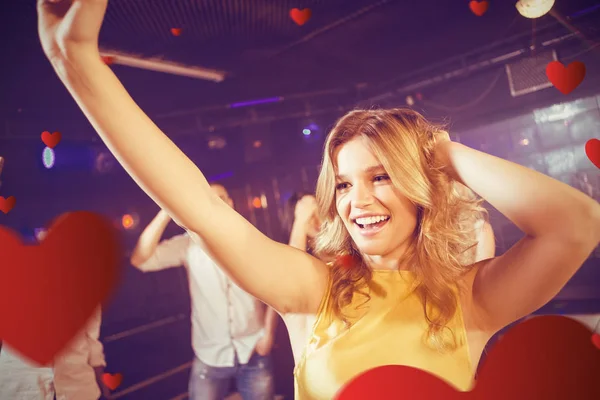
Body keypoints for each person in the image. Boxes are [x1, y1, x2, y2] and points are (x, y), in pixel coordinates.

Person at [37, 1, 600, 398]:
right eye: (345, 183)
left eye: (380, 177)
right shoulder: (316, 289)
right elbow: (199, 209)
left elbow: (576, 225)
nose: (357, 200)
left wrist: (443, 155)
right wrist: (78, 63)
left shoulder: (471, 297)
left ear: (418, 184)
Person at [130, 183, 277, 400]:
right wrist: (167, 210)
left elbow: (275, 288)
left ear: (230, 203)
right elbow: (140, 259)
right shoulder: (188, 245)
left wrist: (269, 334)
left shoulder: (252, 240)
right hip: (210, 355)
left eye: (220, 198)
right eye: (208, 199)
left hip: (254, 350)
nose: (215, 203)